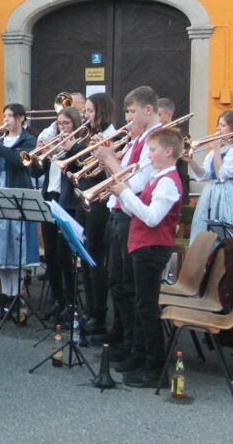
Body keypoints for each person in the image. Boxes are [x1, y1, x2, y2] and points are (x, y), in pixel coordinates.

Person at [107, 126, 184, 388]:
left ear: (168, 151)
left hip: (152, 248)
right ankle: (140, 356)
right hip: (141, 245)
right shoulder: (157, 177)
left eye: (152, 150)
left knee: (147, 308)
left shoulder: (168, 181)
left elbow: (152, 218)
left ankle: (155, 367)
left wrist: (126, 193)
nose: (148, 155)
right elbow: (137, 213)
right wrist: (121, 195)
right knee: (140, 304)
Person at [94, 86, 161, 373]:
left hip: (133, 216)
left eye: (132, 112)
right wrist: (108, 160)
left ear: (148, 110)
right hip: (119, 210)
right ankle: (123, 337)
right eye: (126, 112)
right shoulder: (138, 139)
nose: (128, 118)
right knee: (117, 282)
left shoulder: (153, 142)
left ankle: (137, 346)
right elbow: (121, 177)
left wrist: (110, 159)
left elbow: (136, 183)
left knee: (130, 287)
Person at [0, 103, 39, 310]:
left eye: (10, 116)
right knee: (0, 244)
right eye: (4, 115)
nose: (6, 120)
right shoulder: (0, 140)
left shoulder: (29, 140)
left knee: (15, 243)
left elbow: (21, 162)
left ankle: (16, 295)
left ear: (21, 118)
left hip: (16, 191)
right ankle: (4, 294)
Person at [27, 105, 83, 322]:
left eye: (67, 123)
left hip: (67, 202)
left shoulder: (78, 146)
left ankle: (70, 303)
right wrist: (39, 154)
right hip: (49, 198)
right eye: (60, 123)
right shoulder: (55, 143)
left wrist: (70, 150)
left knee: (64, 255)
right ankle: (58, 300)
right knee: (50, 254)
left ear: (76, 124)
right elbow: (35, 172)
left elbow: (78, 172)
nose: (62, 128)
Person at [76, 92, 116, 337]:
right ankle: (90, 310)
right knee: (85, 259)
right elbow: (80, 169)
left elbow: (108, 175)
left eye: (90, 111)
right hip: (85, 200)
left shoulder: (112, 136)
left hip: (100, 204)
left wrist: (98, 155)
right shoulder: (89, 135)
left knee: (95, 260)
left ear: (100, 111)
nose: (86, 115)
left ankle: (99, 314)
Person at [186, 110, 233, 240]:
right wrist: (190, 161)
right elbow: (205, 175)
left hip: (229, 193)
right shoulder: (219, 150)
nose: (217, 129)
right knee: (207, 232)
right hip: (212, 193)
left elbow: (221, 174)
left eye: (222, 125)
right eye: (218, 125)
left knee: (228, 234)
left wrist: (216, 149)